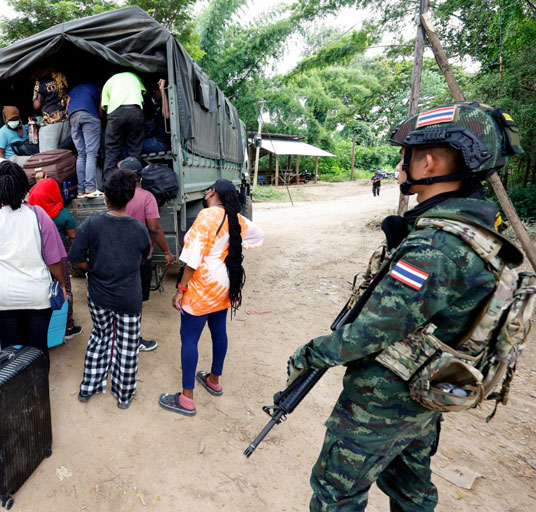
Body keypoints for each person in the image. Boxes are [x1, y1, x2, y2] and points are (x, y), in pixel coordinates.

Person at [286, 103, 523, 511]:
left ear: (427, 162)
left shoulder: (436, 245)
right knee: (412, 494)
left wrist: (310, 354)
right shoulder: (476, 229)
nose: (400, 164)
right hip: (421, 397)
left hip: (382, 403)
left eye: (405, 156)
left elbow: (370, 333)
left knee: (335, 495)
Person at [159, 179, 264, 416]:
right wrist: (226, 250)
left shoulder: (206, 217)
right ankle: (214, 380)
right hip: (224, 283)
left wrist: (180, 289)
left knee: (189, 338)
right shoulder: (234, 217)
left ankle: (186, 399)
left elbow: (193, 258)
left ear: (212, 192)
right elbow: (258, 235)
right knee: (219, 332)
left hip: (203, 285)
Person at [68, 169, 150, 409]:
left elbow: (75, 257)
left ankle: (88, 388)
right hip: (129, 298)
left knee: (100, 337)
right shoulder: (139, 229)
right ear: (130, 198)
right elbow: (143, 256)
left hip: (99, 295)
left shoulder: (92, 224)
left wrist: (93, 268)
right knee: (127, 346)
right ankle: (124, 396)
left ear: (106, 198)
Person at [0, 161, 67, 363]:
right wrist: (62, 284)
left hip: (0, 296)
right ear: (24, 188)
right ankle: (38, 394)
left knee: (9, 354)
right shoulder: (38, 216)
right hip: (36, 296)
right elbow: (54, 261)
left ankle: (13, 393)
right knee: (38, 351)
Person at [119, 157, 175, 351]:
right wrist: (167, 252)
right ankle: (133, 340)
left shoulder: (115, 196)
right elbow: (154, 228)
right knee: (135, 302)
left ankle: (117, 339)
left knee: (119, 298)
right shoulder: (146, 197)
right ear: (140, 178)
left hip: (116, 256)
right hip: (140, 258)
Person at [27, 171, 82, 340]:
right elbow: (73, 236)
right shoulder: (62, 213)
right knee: (63, 288)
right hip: (58, 256)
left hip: (35, 256)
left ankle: (44, 325)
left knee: (42, 289)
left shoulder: (30, 212)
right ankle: (67, 327)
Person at [101, 71, 146, 174]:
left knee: (112, 150)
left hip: (115, 112)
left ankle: (109, 185)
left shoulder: (108, 83)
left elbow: (105, 107)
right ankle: (134, 182)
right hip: (135, 110)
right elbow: (142, 95)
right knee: (135, 148)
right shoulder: (135, 77)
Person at [67, 82, 103, 198]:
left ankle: (81, 191)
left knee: (81, 154)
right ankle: (90, 188)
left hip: (73, 117)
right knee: (91, 153)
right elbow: (101, 110)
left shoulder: (73, 90)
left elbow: (67, 107)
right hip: (89, 115)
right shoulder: (97, 89)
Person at [33, 68, 70, 152]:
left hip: (50, 121)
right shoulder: (61, 77)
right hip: (66, 120)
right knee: (65, 154)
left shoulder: (40, 82)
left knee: (48, 156)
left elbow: (37, 106)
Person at [142, 79, 171, 153]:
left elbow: (166, 115)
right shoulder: (157, 106)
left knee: (129, 148)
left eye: (155, 90)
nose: (154, 93)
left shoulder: (166, 105)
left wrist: (162, 89)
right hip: (157, 140)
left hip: (160, 142)